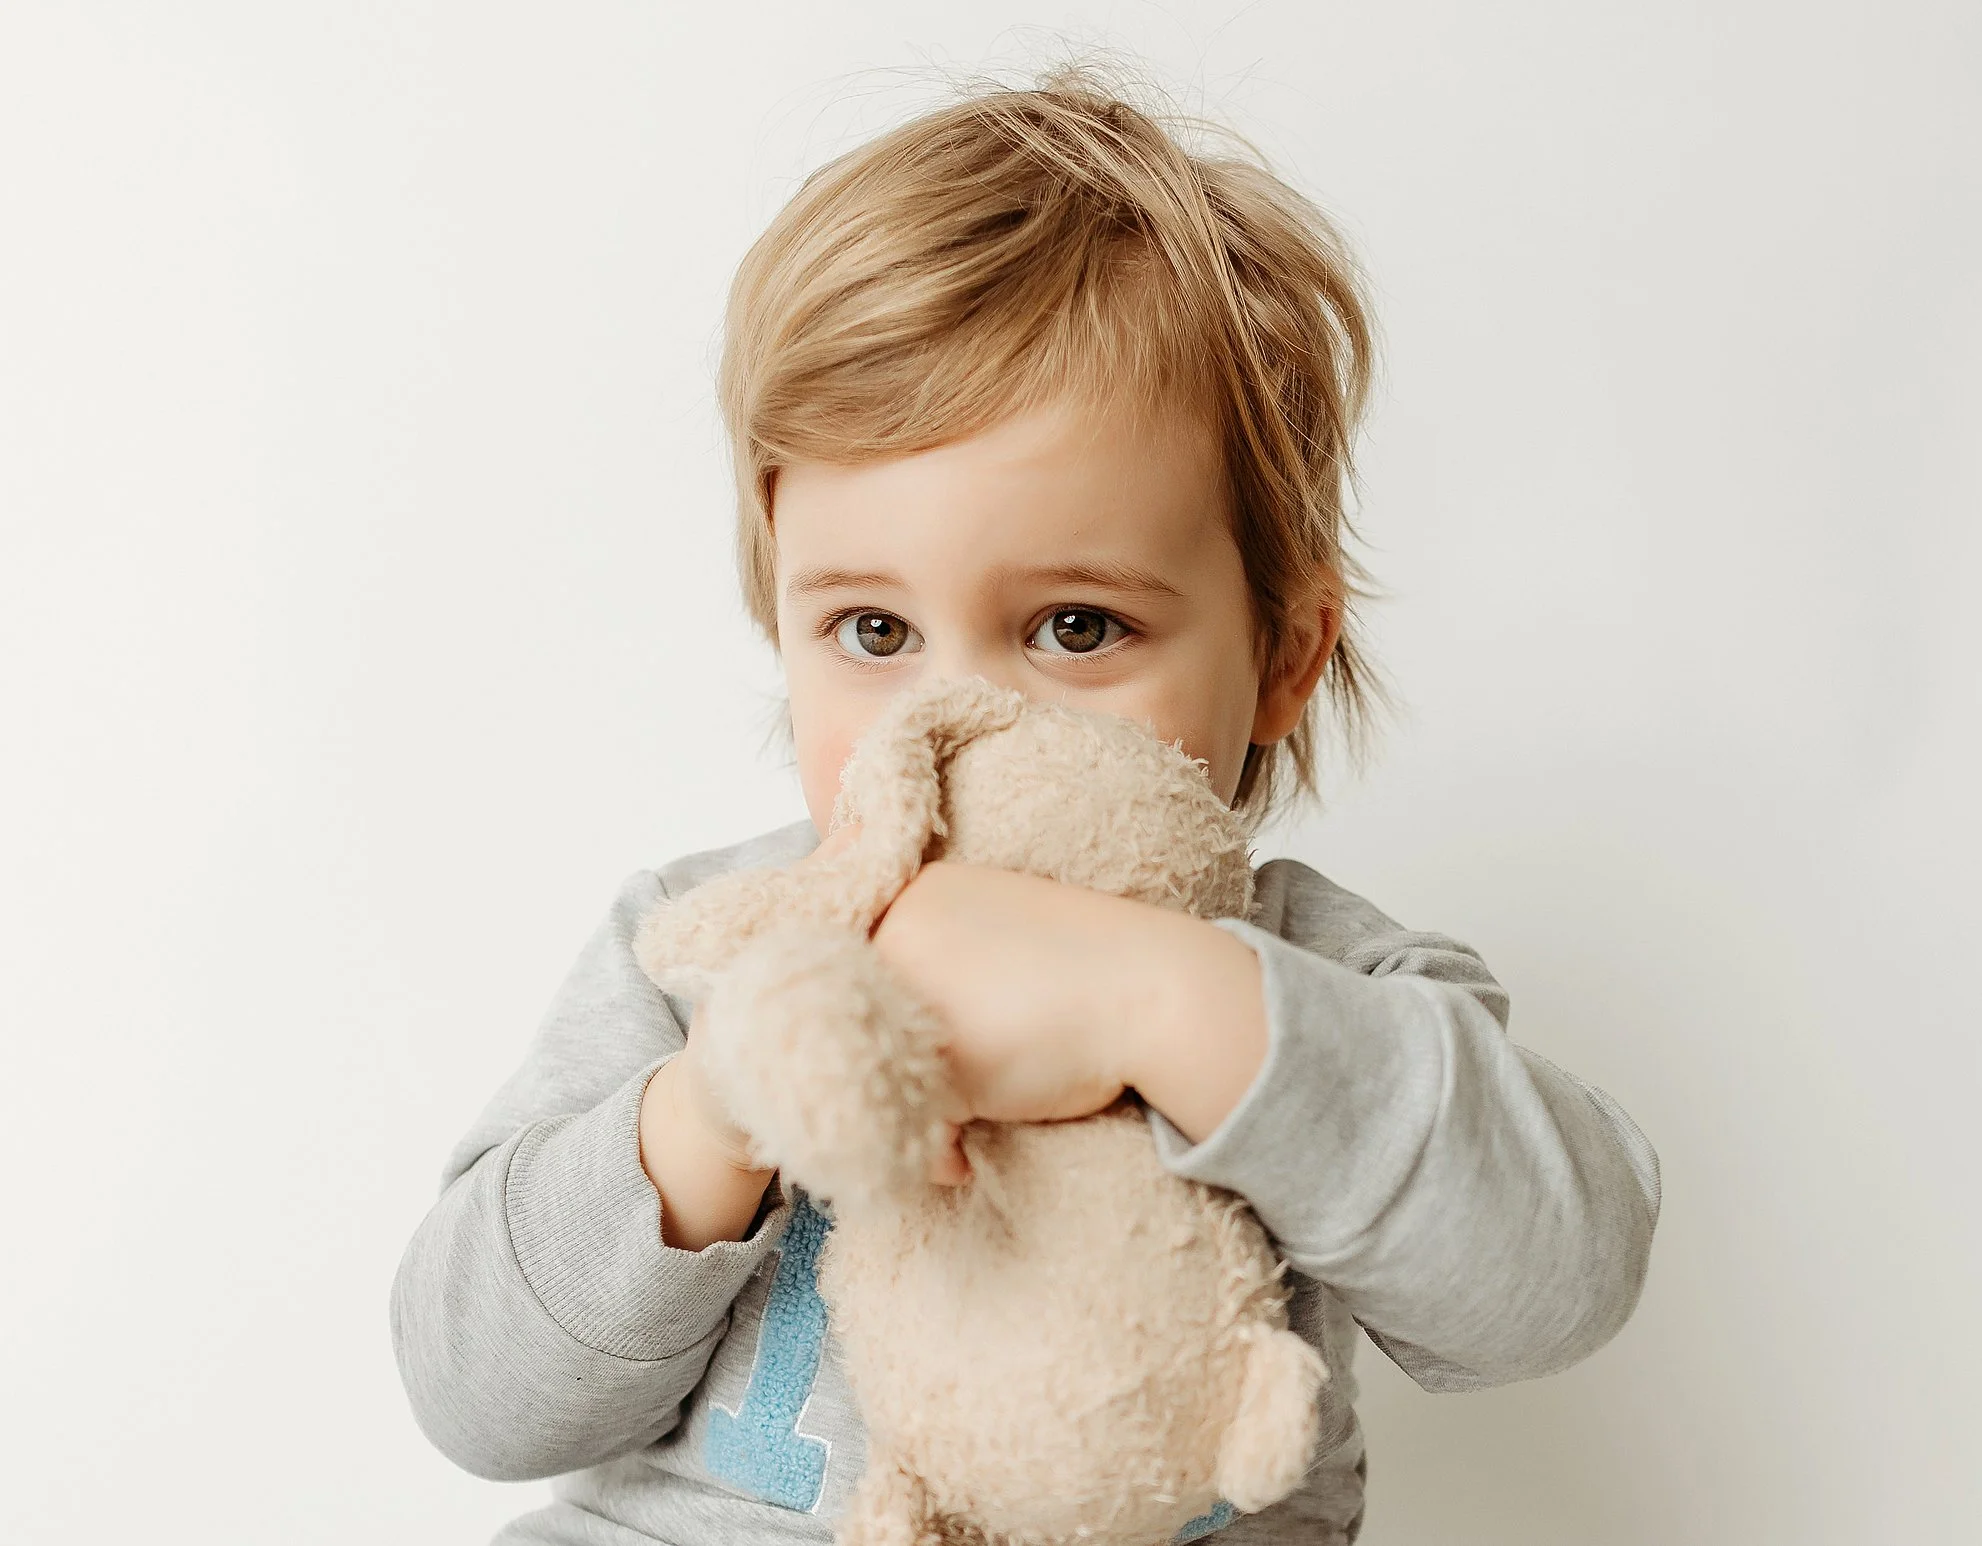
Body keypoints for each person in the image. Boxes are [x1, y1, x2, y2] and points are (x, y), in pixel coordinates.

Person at [390, 64, 1660, 1546]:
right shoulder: (699, 949)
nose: (952, 717)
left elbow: (1558, 1273)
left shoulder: (1314, 979)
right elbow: (471, 1390)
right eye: (873, 632)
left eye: (1074, 627)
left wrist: (1161, 1000)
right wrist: (717, 1108)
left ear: (1281, 659)